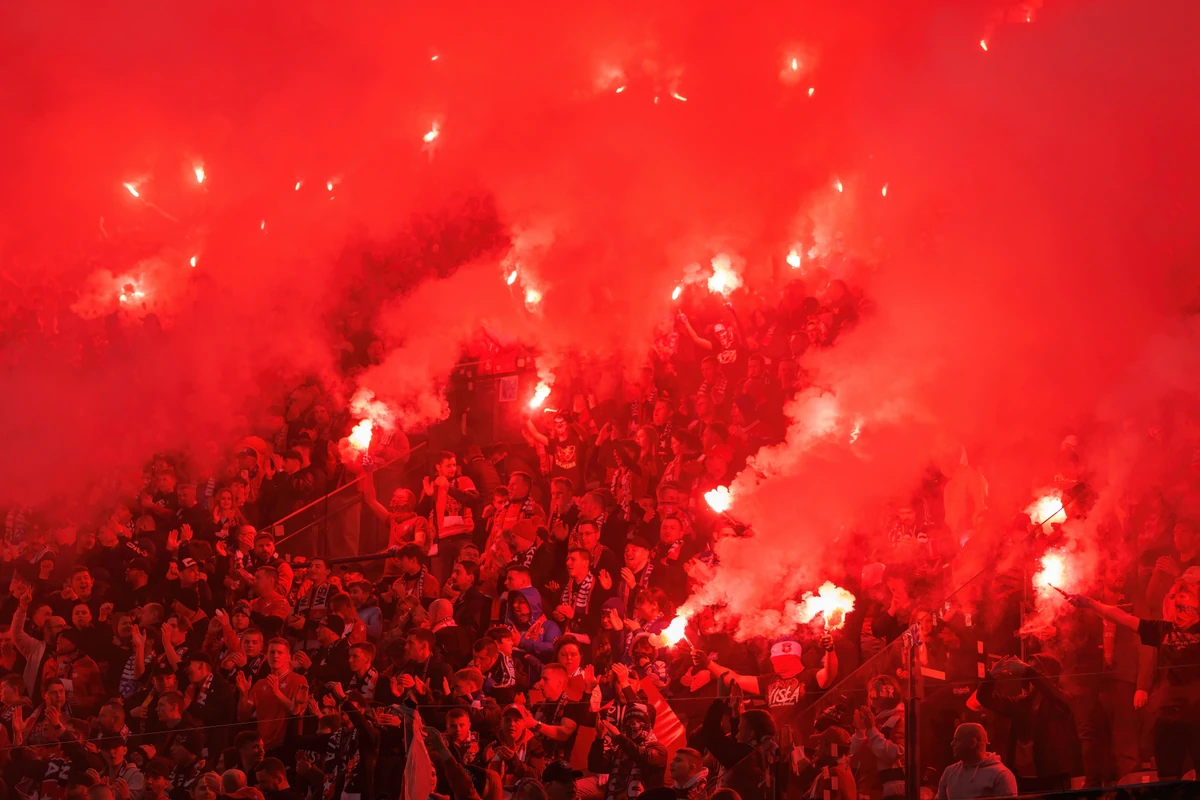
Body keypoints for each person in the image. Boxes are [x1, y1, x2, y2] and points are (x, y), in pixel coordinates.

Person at [1070, 572, 1200, 780]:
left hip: (1196, 714)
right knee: (1168, 778)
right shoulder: (1162, 629)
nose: (1175, 600)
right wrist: (1090, 603)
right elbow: (1121, 617)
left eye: (1183, 596)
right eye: (1172, 596)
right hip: (1167, 715)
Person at [235, 638, 308, 754]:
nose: (275, 656)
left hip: (288, 746)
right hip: (263, 747)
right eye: (272, 652)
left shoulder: (298, 680)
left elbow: (299, 711)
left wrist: (276, 692)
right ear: (267, 655)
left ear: (288, 657)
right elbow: (243, 717)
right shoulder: (259, 684)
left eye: (280, 652)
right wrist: (243, 694)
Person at [935, 723, 1018, 800]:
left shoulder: (1000, 775)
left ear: (973, 743)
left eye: (957, 740)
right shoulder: (950, 772)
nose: (952, 744)